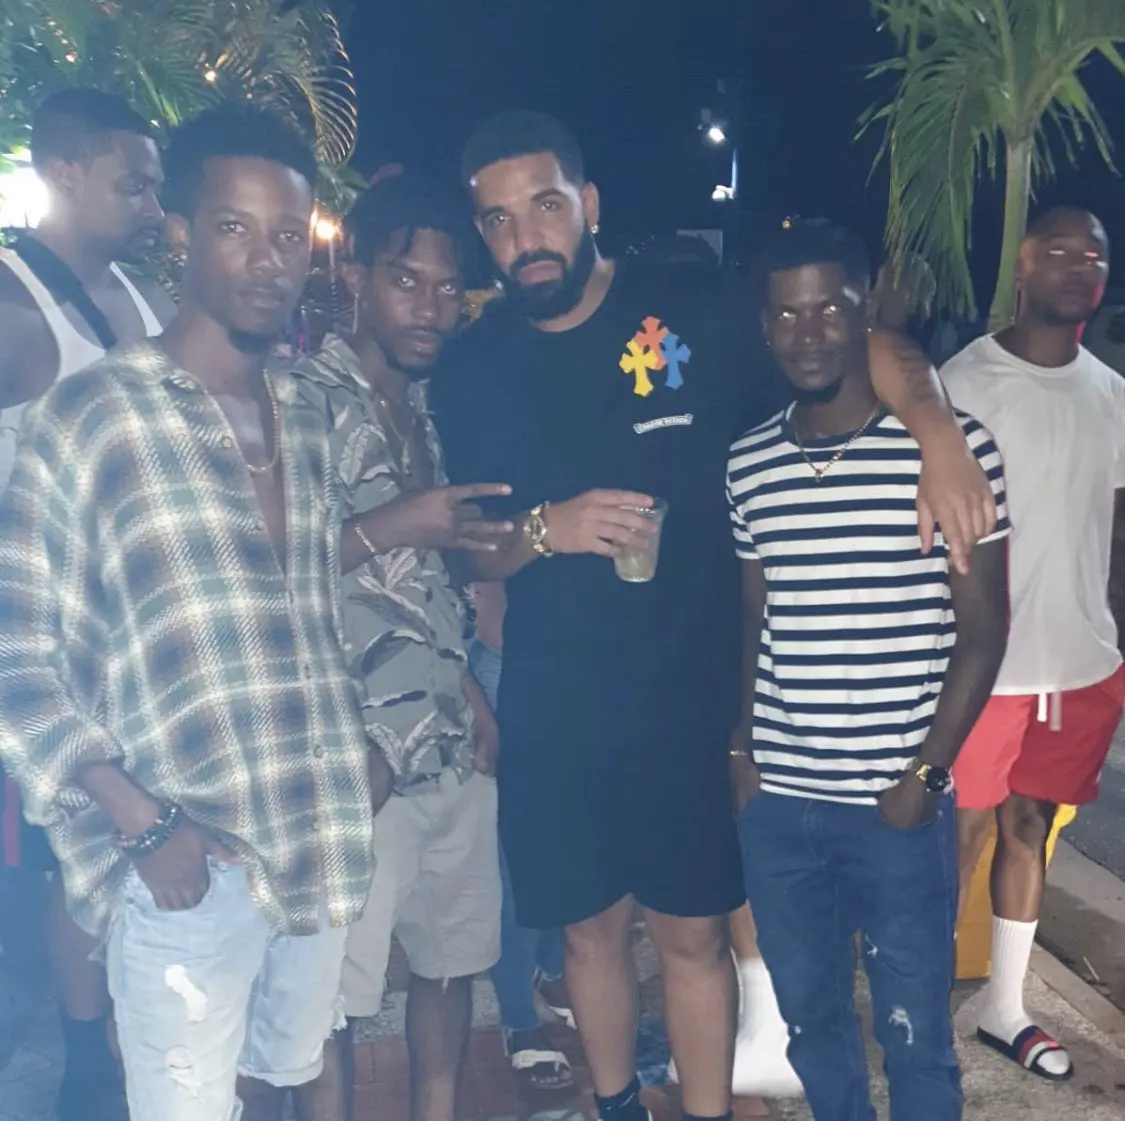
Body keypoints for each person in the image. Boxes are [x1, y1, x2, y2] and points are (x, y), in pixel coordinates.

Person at [430, 109, 998, 1121]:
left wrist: (936, 429)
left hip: (688, 702)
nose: (526, 238)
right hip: (557, 704)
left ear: (587, 203)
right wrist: (549, 529)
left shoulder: (689, 303)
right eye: (499, 221)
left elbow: (853, 337)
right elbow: (471, 545)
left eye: (545, 206)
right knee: (587, 933)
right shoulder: (475, 367)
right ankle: (615, 1105)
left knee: (692, 935)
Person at [0, 103, 381, 1121]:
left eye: (288, 234)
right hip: (184, 854)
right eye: (234, 227)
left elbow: (314, 611)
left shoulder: (307, 414)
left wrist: (363, 745)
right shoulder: (91, 417)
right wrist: (140, 818)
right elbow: (18, 653)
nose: (267, 260)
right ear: (181, 232)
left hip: (312, 833)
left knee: (282, 1078)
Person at [728, 221, 1010, 1121]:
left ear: (866, 311)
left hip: (894, 804)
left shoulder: (952, 455)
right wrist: (741, 748)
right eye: (785, 314)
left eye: (828, 308)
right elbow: (753, 618)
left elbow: (984, 630)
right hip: (780, 806)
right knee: (812, 1023)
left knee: (915, 1034)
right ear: (764, 325)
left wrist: (926, 772)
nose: (806, 332)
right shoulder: (748, 462)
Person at [294, 172, 514, 1121]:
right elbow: (263, 566)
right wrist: (400, 521)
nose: (430, 307)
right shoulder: (299, 400)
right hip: (355, 752)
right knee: (331, 998)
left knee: (451, 962)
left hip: (444, 742)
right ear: (355, 276)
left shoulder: (420, 407)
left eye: (446, 286)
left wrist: (467, 690)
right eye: (405, 280)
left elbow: (418, 586)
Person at [0, 86, 171, 1121]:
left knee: (134, 842)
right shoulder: (15, 304)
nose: (152, 203)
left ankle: (123, 1038)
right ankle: (84, 1058)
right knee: (77, 848)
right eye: (132, 183)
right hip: (54, 634)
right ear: (63, 172)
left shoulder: (138, 298)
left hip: (141, 627)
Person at [942, 207, 1125, 1082]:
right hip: (986, 664)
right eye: (1055, 250)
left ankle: (1003, 1006)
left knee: (1029, 825)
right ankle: (915, 1003)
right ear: (1020, 264)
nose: (1076, 265)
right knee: (957, 835)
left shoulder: (1111, 393)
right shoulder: (963, 380)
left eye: (1092, 253)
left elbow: (1110, 530)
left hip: (1079, 660)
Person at [468, 581, 575, 1091]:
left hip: (578, 652)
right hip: (507, 649)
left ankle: (551, 969)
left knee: (569, 835)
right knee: (517, 856)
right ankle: (518, 1016)